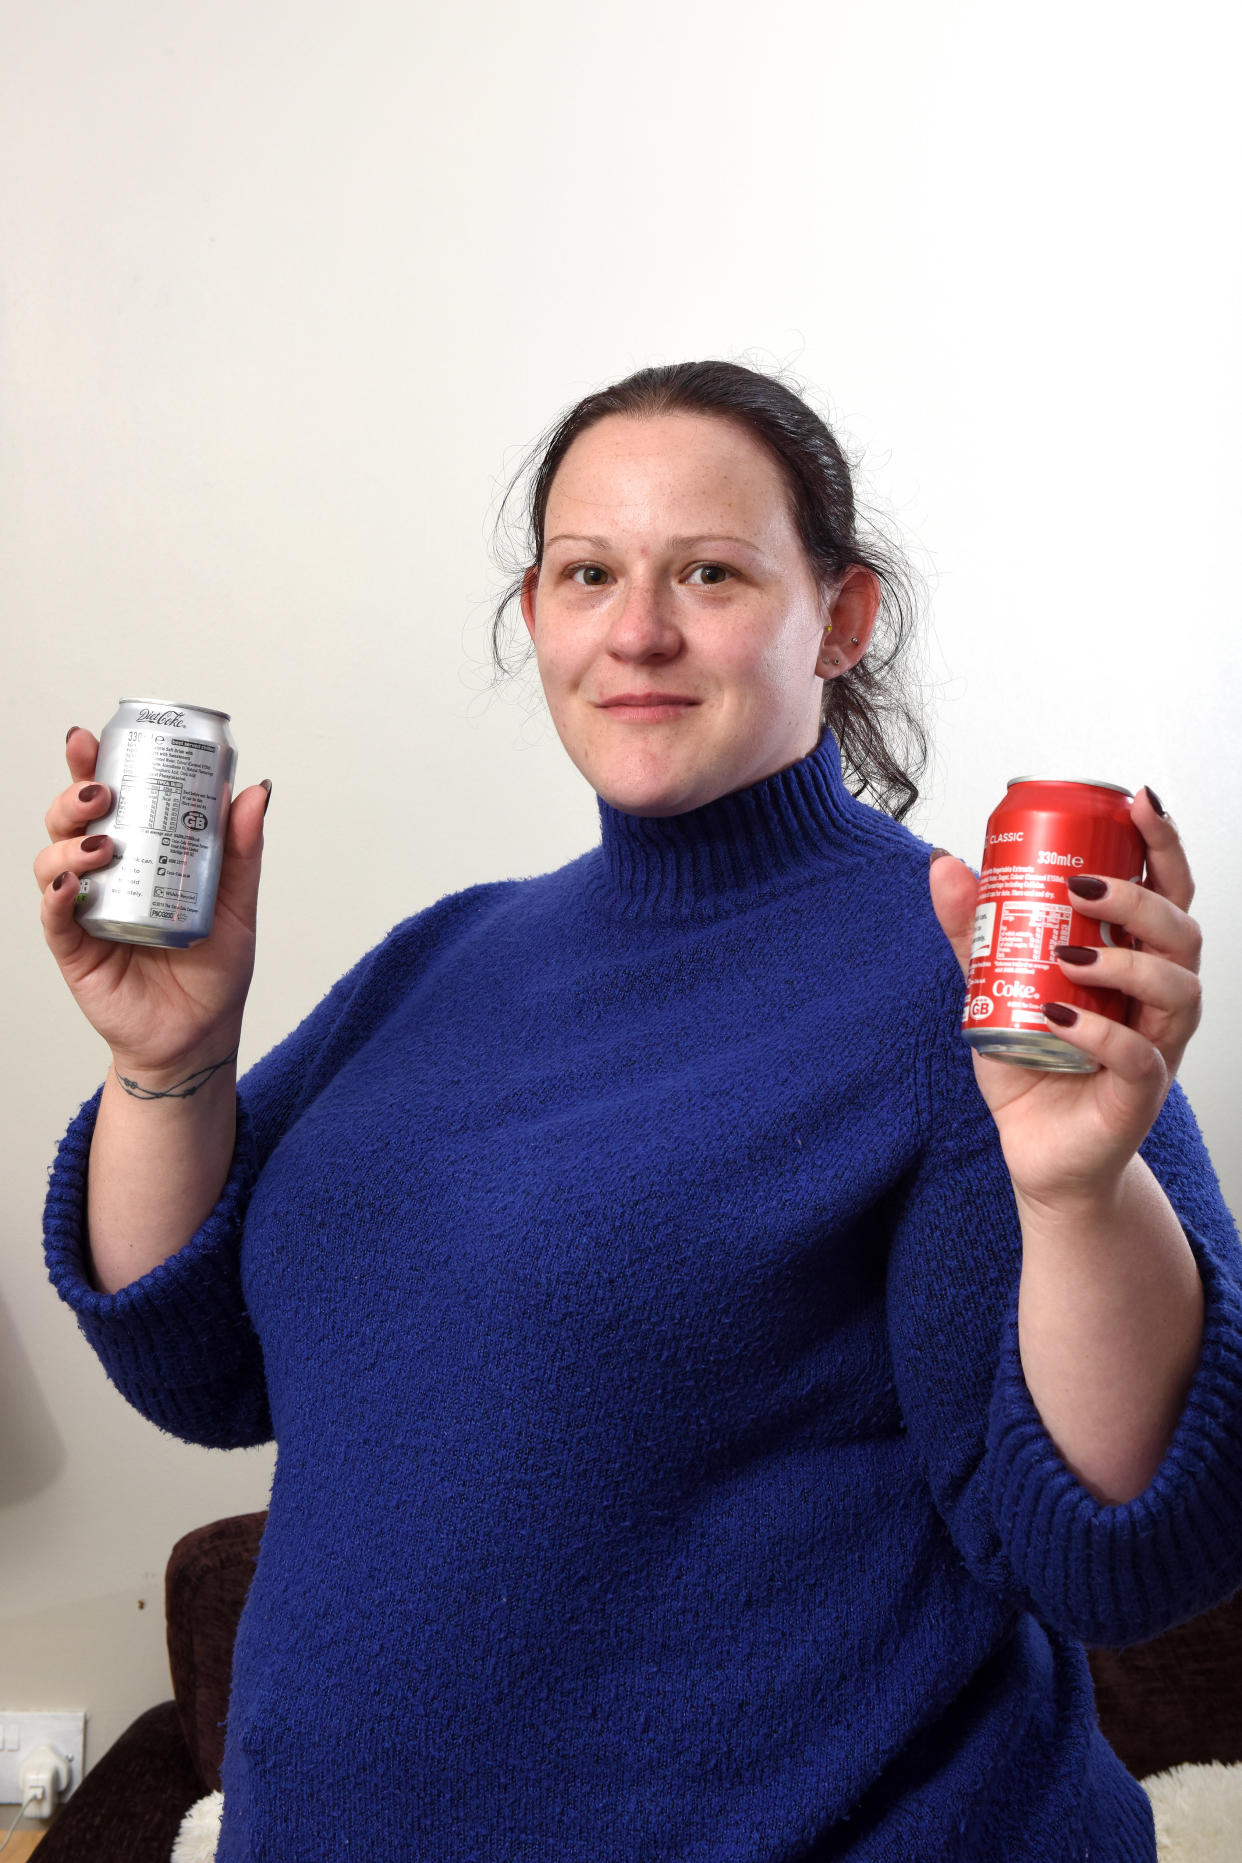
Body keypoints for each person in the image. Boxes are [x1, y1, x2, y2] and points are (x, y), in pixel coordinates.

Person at [37, 361, 1242, 1862]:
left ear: (842, 619)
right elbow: (194, 1357)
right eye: (586, 573)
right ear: (532, 616)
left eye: (712, 573)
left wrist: (1075, 1195)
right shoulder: (447, 956)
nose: (637, 631)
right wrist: (172, 1059)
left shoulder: (966, 973)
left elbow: (1118, 1553)